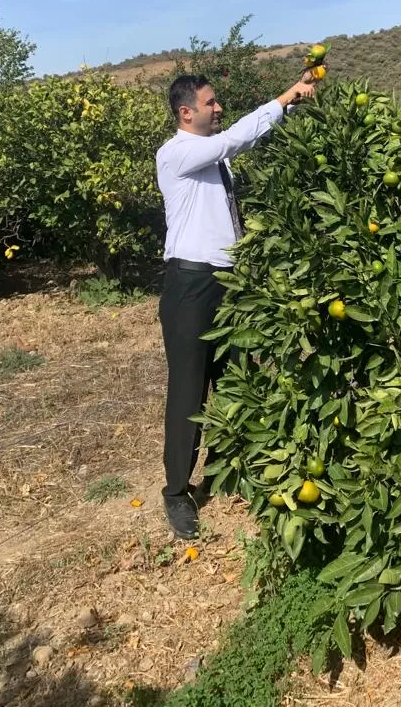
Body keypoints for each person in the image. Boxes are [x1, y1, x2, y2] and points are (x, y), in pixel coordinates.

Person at [156, 72, 316, 538]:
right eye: (210, 103)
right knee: (188, 389)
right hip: (190, 284)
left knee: (232, 376)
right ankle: (175, 491)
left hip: (226, 281)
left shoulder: (210, 158)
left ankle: (226, 467)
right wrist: (284, 99)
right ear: (187, 113)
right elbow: (235, 140)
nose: (218, 107)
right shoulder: (178, 153)